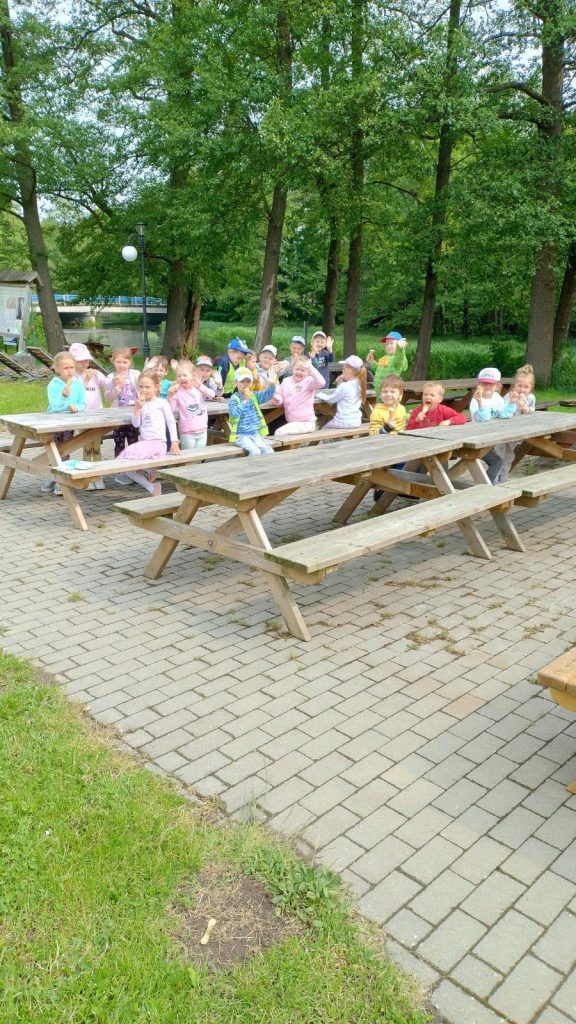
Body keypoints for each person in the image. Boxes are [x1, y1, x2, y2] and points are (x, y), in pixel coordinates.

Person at [116, 371, 180, 496]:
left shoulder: (161, 403)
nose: (144, 390)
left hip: (157, 444)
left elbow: (171, 422)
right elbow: (136, 424)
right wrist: (137, 409)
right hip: (144, 444)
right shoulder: (141, 404)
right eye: (141, 387)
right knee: (125, 466)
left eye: (147, 387)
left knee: (129, 464)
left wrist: (174, 441)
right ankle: (152, 484)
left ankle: (152, 481)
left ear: (156, 387)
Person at [42, 351, 86, 495]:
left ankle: (62, 480)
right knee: (54, 449)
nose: (69, 371)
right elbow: (54, 407)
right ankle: (53, 476)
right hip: (54, 422)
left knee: (65, 449)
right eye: (66, 368)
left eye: (71, 367)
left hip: (69, 423)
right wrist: (63, 396)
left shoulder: (78, 384)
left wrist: (76, 408)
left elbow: (82, 403)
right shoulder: (53, 385)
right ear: (57, 369)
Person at [69, 342, 107, 490]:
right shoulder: (71, 377)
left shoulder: (95, 374)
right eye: (81, 360)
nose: (85, 363)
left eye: (87, 360)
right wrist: (85, 380)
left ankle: (98, 476)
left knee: (96, 448)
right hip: (82, 417)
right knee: (86, 448)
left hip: (97, 417)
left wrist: (116, 382)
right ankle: (87, 477)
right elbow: (75, 396)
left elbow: (107, 384)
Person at [469, 367, 514, 483]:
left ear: (497, 386)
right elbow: (483, 419)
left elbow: (504, 414)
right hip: (477, 440)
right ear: (479, 385)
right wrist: (480, 402)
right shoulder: (475, 400)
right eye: (484, 383)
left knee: (506, 455)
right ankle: (486, 485)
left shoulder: (497, 398)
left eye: (491, 384)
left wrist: (512, 402)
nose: (487, 386)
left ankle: (491, 483)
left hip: (492, 437)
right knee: (497, 461)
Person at [104, 348, 141, 484]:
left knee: (134, 442)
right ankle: (120, 471)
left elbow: (144, 385)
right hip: (118, 417)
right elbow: (108, 397)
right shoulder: (110, 378)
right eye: (118, 362)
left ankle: (134, 470)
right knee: (119, 443)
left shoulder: (135, 374)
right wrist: (117, 387)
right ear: (113, 361)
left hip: (133, 415)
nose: (121, 365)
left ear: (130, 362)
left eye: (125, 362)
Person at [496, 363, 536, 482]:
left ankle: (504, 478)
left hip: (517, 431)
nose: (522, 389)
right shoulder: (509, 396)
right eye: (519, 386)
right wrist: (512, 402)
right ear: (514, 385)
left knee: (509, 455)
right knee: (499, 455)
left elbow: (532, 410)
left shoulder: (531, 398)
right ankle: (494, 479)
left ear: (531, 387)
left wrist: (525, 409)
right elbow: (502, 411)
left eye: (526, 387)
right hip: (504, 430)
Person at [270, 356, 325, 435]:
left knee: (279, 433)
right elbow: (280, 394)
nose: (299, 372)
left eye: (303, 370)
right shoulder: (286, 381)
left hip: (307, 423)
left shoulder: (309, 381)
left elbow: (322, 383)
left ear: (308, 372)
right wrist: (277, 399)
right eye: (297, 369)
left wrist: (311, 368)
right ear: (292, 369)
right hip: (292, 422)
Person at [228, 368, 276, 455]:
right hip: (241, 435)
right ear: (235, 382)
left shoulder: (254, 396)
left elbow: (267, 394)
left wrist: (272, 384)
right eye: (242, 381)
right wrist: (245, 400)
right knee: (256, 452)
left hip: (255, 433)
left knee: (267, 451)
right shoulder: (234, 399)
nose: (245, 384)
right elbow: (234, 414)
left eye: (248, 381)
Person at [168, 359, 215, 449]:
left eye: (185, 375)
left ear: (192, 376)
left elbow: (212, 395)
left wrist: (200, 386)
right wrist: (170, 396)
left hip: (202, 429)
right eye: (179, 376)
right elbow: (171, 409)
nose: (182, 378)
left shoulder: (198, 388)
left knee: (200, 455)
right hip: (187, 431)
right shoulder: (177, 392)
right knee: (189, 456)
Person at [318, 354, 366, 429]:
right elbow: (343, 394)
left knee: (323, 430)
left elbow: (331, 400)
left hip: (343, 421)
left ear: (350, 370)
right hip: (356, 421)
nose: (342, 371)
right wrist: (340, 383)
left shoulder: (345, 386)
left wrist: (319, 394)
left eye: (344, 369)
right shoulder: (359, 385)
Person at [366, 331, 409, 396]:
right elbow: (378, 370)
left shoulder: (398, 358)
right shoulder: (384, 357)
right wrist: (372, 362)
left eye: (392, 343)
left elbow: (400, 358)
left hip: (390, 393)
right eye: (387, 344)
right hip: (379, 393)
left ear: (399, 344)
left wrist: (400, 349)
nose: (388, 346)